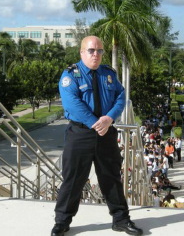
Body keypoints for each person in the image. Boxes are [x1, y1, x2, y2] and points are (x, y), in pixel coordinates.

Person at [52, 36, 143, 236]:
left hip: (106, 133)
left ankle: (121, 219)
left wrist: (109, 118)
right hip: (80, 134)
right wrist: (97, 123)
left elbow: (121, 96)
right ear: (82, 52)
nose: (96, 54)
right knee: (73, 179)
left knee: (111, 177)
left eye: (100, 51)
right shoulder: (70, 75)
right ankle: (62, 222)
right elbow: (72, 104)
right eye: (92, 50)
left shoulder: (108, 74)